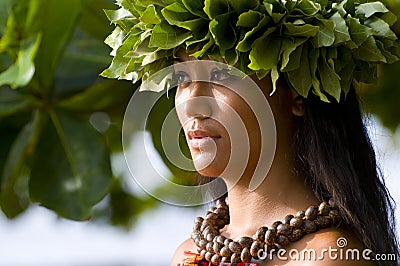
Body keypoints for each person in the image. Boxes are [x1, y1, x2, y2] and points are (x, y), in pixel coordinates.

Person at [101, 0, 400, 265]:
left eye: (221, 75)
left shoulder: (328, 257)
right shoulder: (187, 255)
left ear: (297, 93)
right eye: (182, 77)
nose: (193, 103)